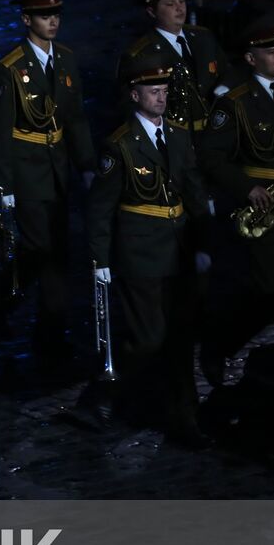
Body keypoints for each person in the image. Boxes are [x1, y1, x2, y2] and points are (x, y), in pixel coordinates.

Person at [86, 53, 214, 446]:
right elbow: (100, 209)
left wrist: (204, 243)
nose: (161, 98)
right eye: (153, 92)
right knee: (149, 338)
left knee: (180, 337)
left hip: (178, 249)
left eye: (164, 91)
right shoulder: (120, 146)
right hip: (140, 252)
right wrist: (101, 261)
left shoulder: (176, 135)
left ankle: (183, 417)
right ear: (135, 94)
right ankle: (104, 391)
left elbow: (192, 189)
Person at [0, 0, 95, 354]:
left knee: (58, 252)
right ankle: (0, 295)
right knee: (39, 248)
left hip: (58, 168)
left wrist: (87, 166)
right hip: (26, 169)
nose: (53, 21)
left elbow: (75, 118)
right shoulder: (10, 69)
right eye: (46, 16)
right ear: (26, 20)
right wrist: (3, 186)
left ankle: (50, 333)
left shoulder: (65, 60)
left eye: (57, 15)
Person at [197, 13, 274, 397]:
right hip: (266, 213)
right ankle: (220, 344)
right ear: (251, 59)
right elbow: (211, 157)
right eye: (271, 51)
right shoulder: (235, 104)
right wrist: (248, 189)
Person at [117, 0, 230, 139]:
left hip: (215, 133)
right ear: (152, 12)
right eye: (170, 4)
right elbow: (130, 108)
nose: (180, 8)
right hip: (176, 140)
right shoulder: (141, 54)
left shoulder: (202, 37)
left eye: (182, 1)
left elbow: (226, 70)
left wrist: (223, 88)